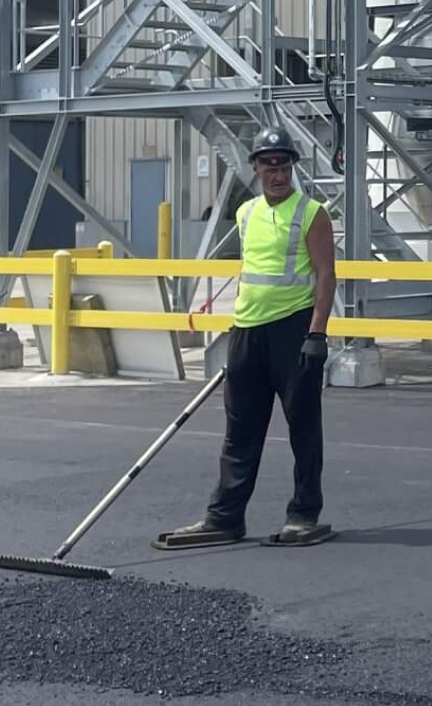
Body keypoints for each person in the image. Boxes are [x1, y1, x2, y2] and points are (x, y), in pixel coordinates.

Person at [157, 127, 339, 550]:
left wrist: (317, 333)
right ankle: (225, 516)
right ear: (255, 166)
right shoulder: (246, 213)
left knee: (303, 428)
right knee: (240, 430)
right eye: (269, 164)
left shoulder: (311, 212)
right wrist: (236, 328)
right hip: (247, 332)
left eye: (285, 165)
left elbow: (326, 275)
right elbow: (248, 273)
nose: (278, 173)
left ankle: (304, 513)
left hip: (294, 331)